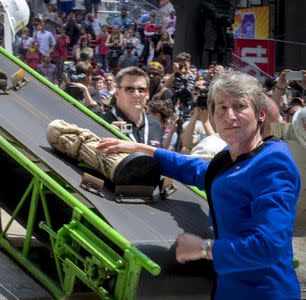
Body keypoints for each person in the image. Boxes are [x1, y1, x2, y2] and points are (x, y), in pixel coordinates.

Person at [96, 70, 301, 300]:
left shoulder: (272, 162)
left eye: (239, 106)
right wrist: (145, 150)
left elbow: (268, 246)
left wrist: (204, 248)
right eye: (221, 107)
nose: (230, 116)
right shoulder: (230, 155)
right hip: (227, 289)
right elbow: (202, 172)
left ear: (260, 113)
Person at [102, 67, 163, 147]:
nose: (136, 94)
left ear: (147, 94)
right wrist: (104, 134)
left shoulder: (155, 125)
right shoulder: (103, 124)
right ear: (117, 93)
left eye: (141, 90)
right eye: (130, 89)